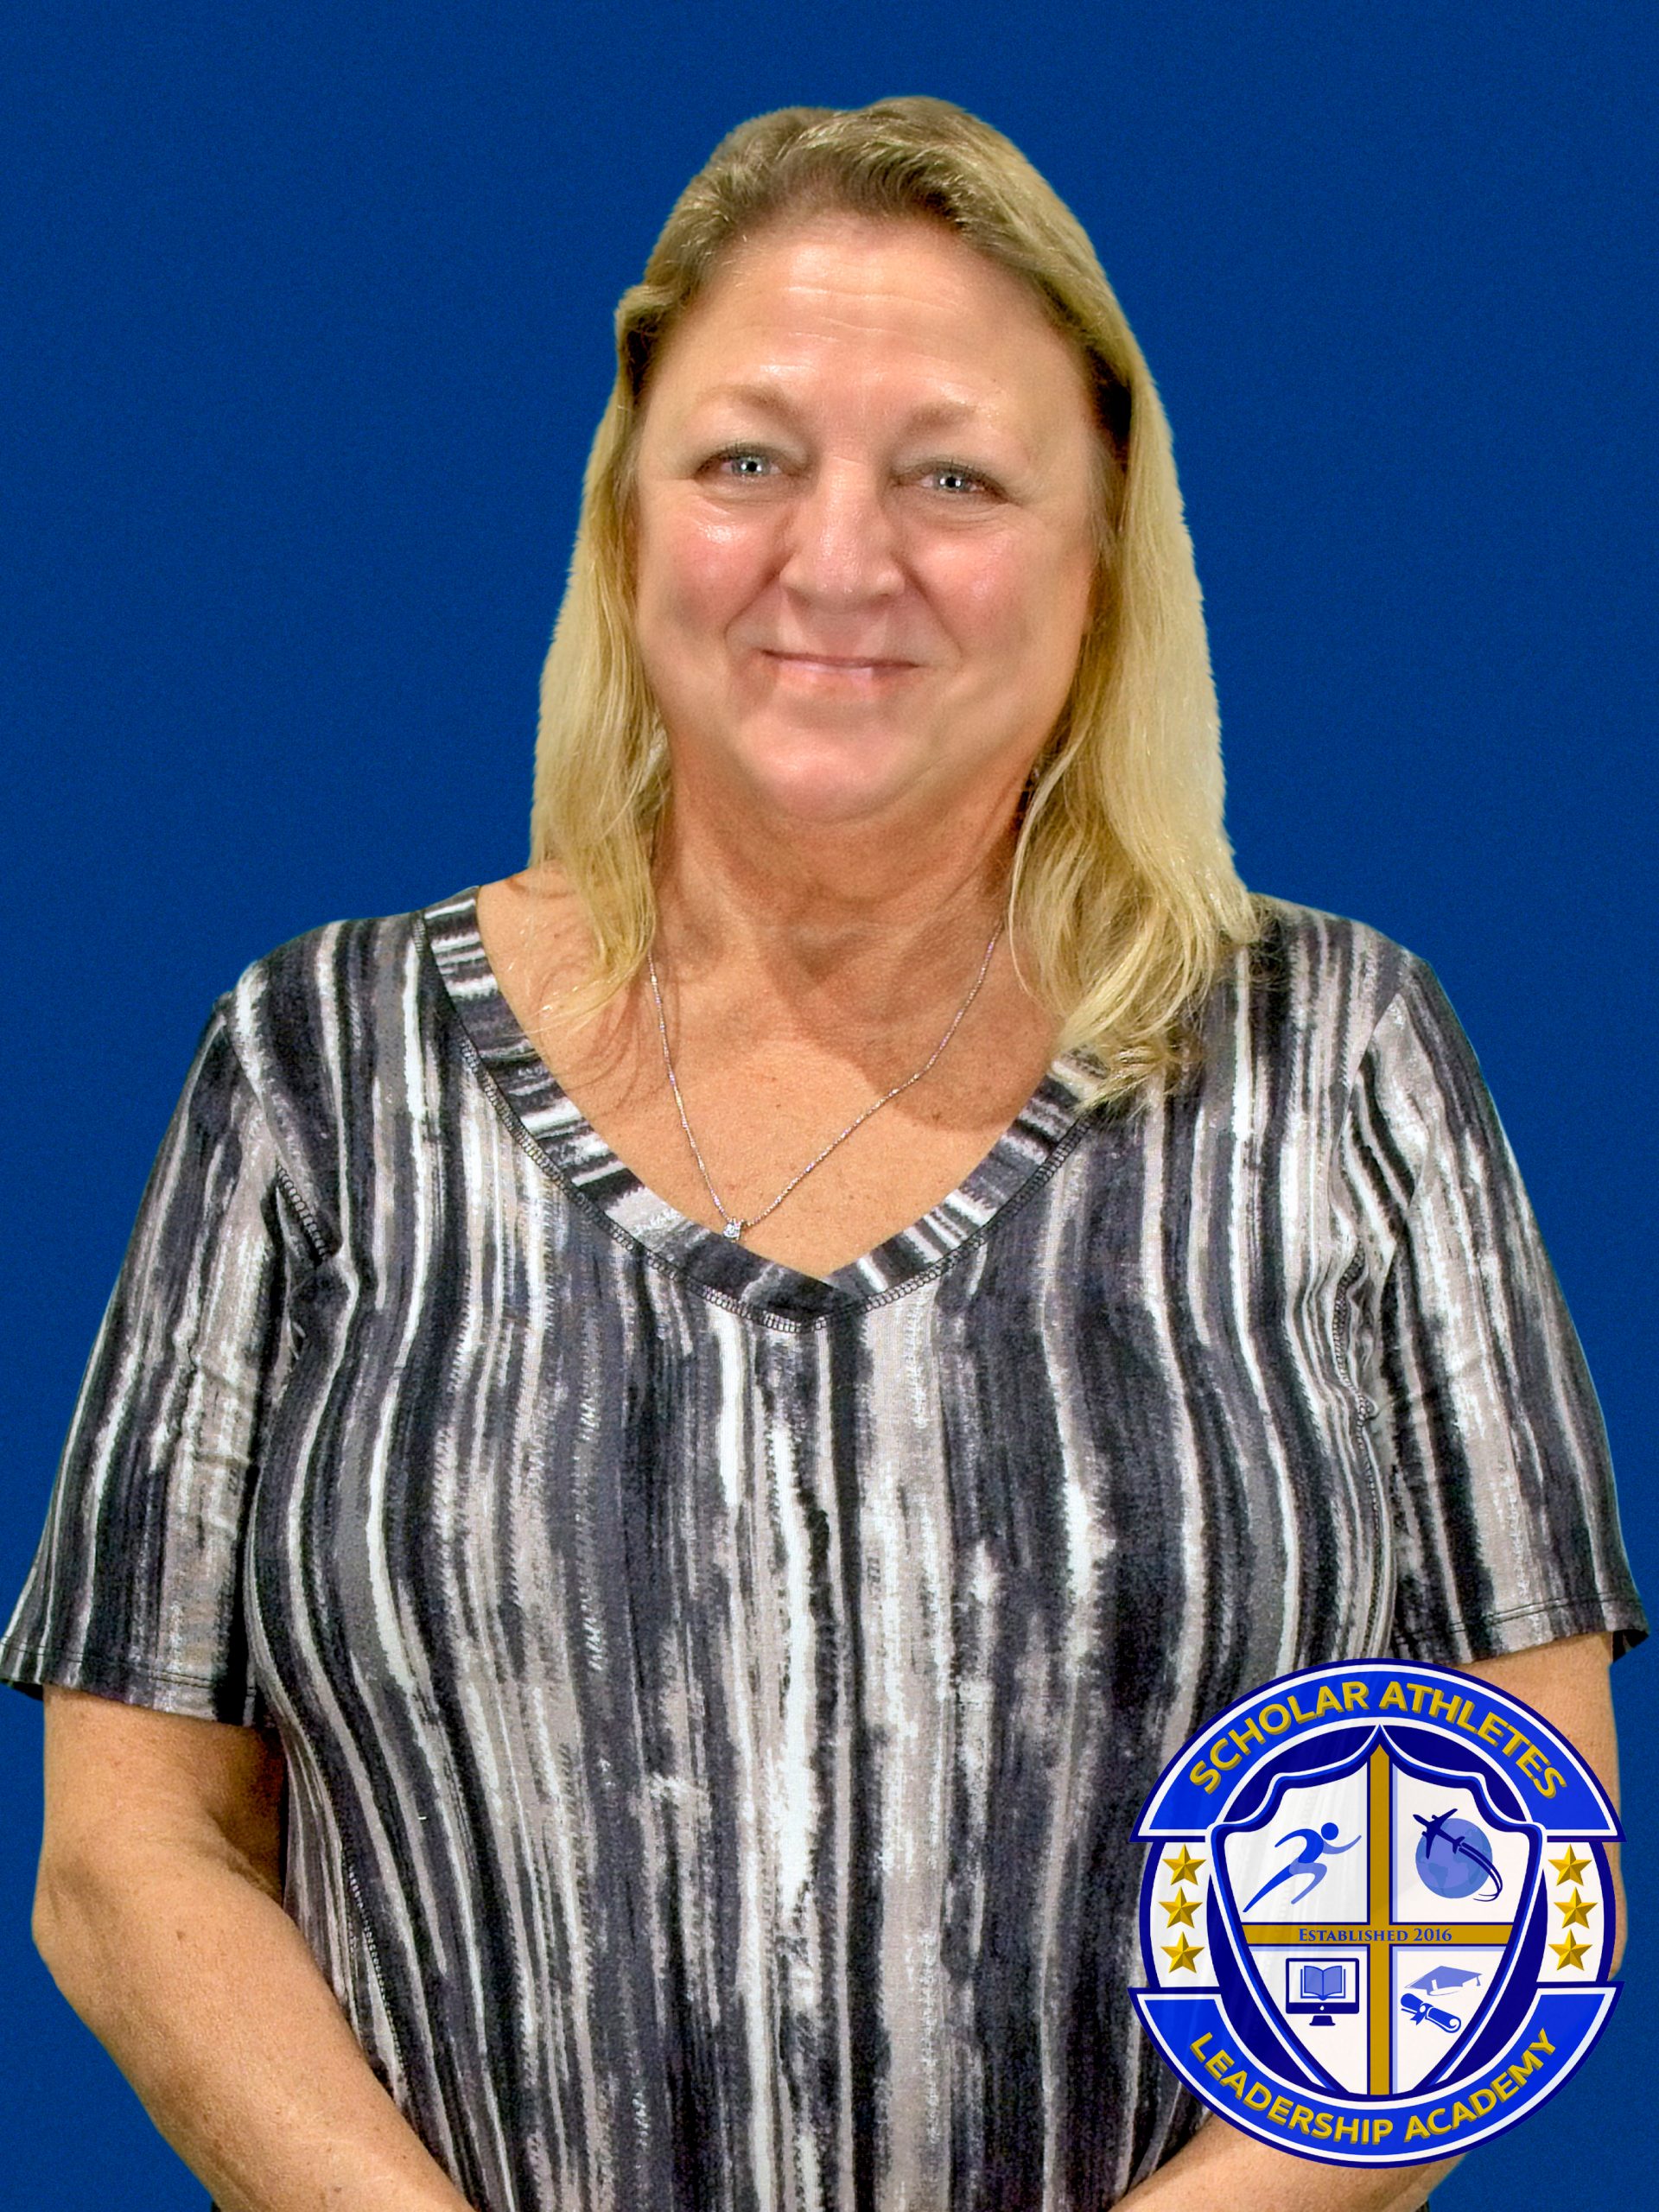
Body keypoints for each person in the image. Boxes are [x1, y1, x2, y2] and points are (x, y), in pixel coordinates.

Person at [1, 95, 1643, 2212]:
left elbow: (1515, 1842)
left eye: (953, 473)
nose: (839, 556)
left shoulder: (1345, 1059)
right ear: (626, 519)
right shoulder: (310, 1068)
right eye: (750, 458)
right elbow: (131, 1854)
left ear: (1102, 538)